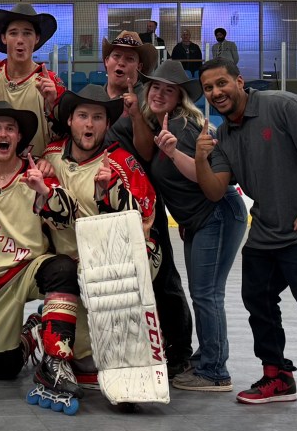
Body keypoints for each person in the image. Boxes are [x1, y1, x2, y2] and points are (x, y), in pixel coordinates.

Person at [196, 57, 297, 419]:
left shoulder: (283, 105)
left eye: (222, 83)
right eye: (208, 88)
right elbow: (215, 191)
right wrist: (201, 158)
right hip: (265, 232)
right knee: (257, 301)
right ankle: (277, 376)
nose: (216, 92)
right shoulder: (224, 136)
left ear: (239, 81)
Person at [134, 60, 248, 392]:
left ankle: (214, 370)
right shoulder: (164, 125)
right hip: (199, 220)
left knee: (206, 293)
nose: (159, 94)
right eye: (155, 87)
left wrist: (172, 153)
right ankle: (208, 358)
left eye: (168, 90)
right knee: (203, 293)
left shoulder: (182, 126)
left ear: (179, 97)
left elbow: (202, 176)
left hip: (216, 213)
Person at [41, 85, 159, 391]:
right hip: (68, 263)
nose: (89, 124)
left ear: (107, 124)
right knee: (82, 358)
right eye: (82, 116)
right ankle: (47, 336)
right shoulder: (51, 155)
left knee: (97, 360)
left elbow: (146, 219)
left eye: (97, 117)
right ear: (70, 120)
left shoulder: (122, 162)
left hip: (109, 265)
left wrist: (112, 193)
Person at [0, 102, 84, 398]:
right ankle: (31, 334)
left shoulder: (36, 175)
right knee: (2, 368)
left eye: (10, 128)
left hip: (31, 267)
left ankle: (55, 360)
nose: (3, 134)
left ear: (19, 137)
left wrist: (44, 190)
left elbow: (70, 215)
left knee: (62, 269)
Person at [101, 32, 195, 380]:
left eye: (129, 59)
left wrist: (135, 114)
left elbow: (147, 152)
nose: (121, 63)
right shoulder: (91, 98)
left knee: (163, 277)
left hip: (145, 204)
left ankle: (179, 350)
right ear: (106, 62)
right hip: (104, 203)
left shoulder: (149, 101)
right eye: (116, 57)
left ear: (139, 67)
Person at [0, 4, 65, 157]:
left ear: (36, 38)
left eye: (27, 33)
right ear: (4, 38)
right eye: (13, 33)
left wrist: (52, 105)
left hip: (37, 166)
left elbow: (67, 133)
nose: (20, 40)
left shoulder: (50, 81)